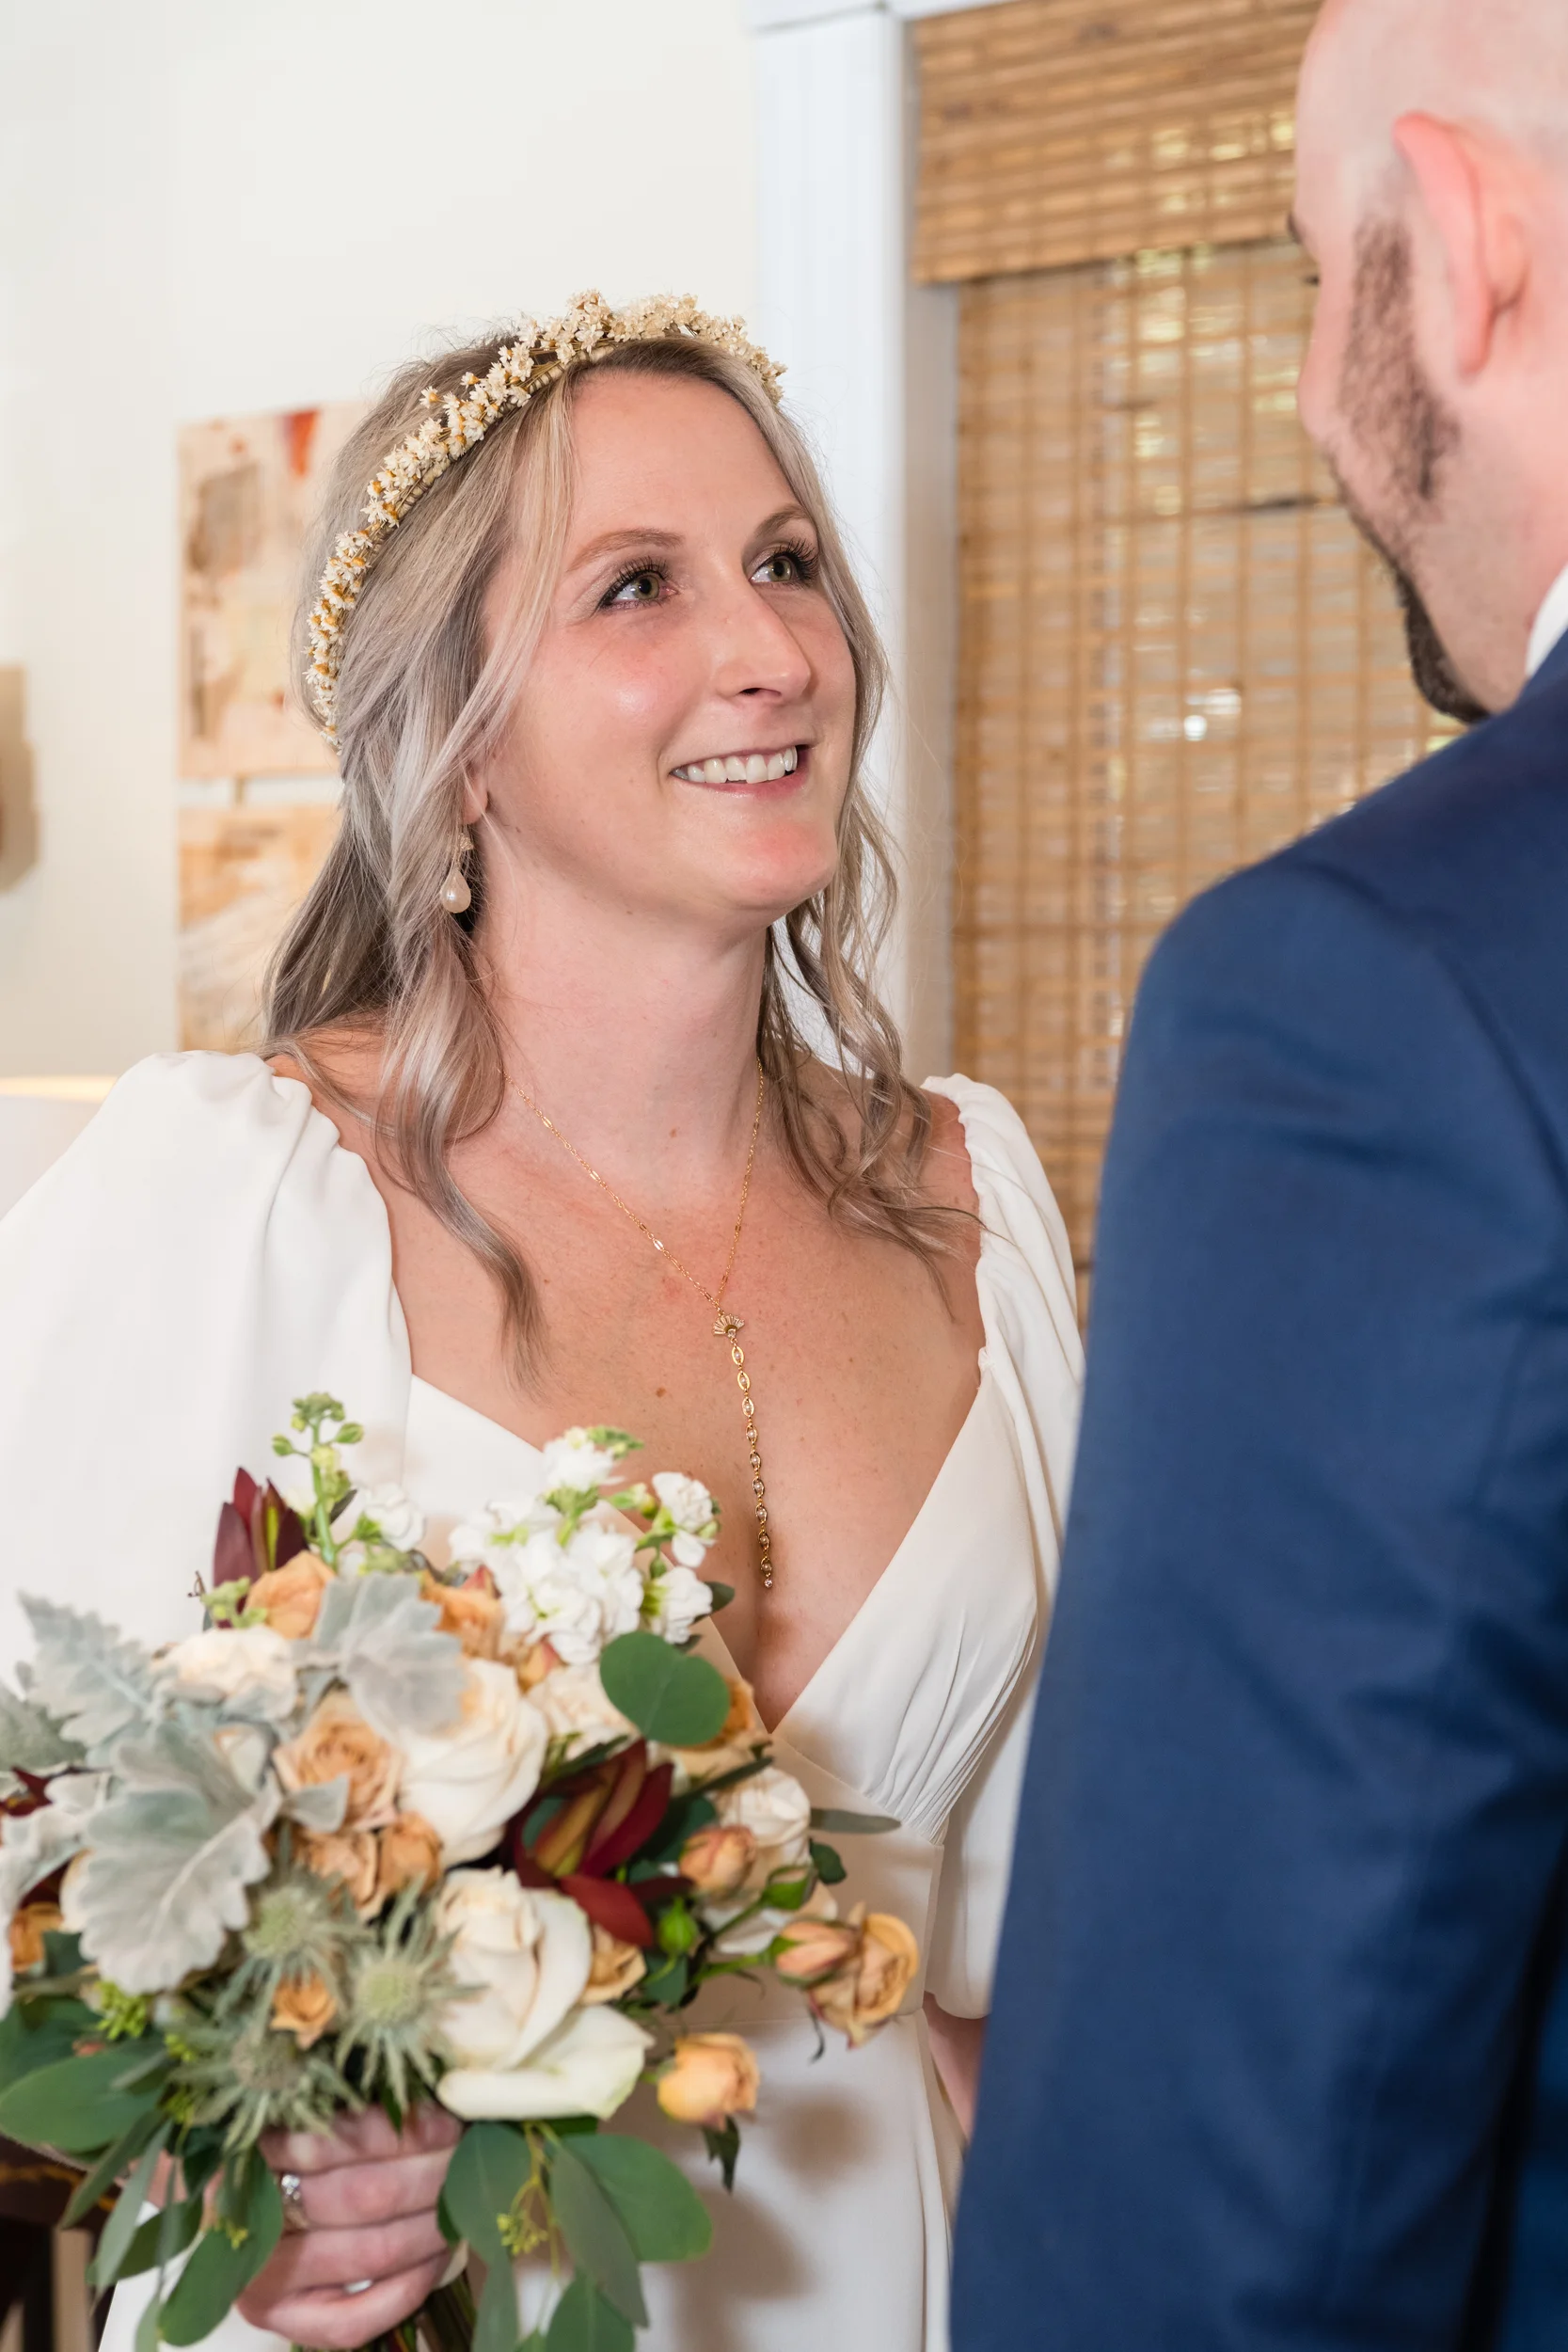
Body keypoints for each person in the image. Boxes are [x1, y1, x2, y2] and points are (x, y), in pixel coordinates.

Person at [0, 296, 1082, 2350]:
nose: (768, 648)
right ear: (459, 731)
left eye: (783, 563)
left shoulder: (970, 1200)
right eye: (635, 588)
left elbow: (1049, 1947)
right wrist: (216, 2143)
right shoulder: (232, 1192)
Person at [955, 1, 1568, 2344]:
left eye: (1326, 266)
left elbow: (1224, 2224)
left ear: (1465, 234)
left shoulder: (1370, 995)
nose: (1317, 392)